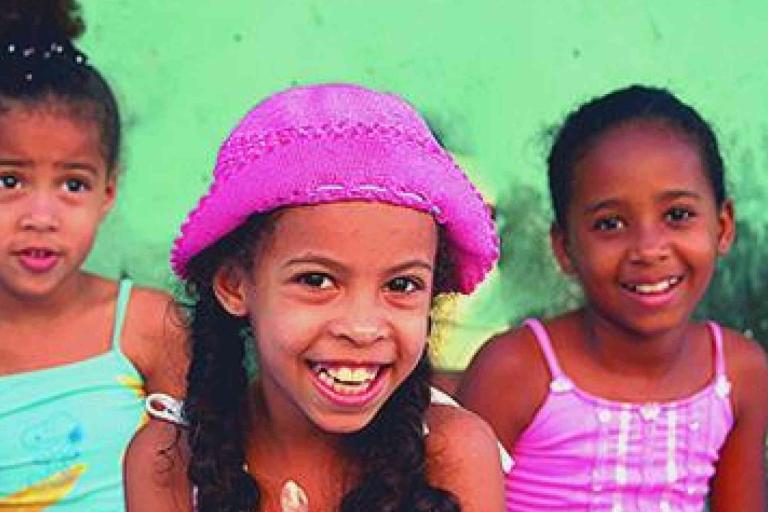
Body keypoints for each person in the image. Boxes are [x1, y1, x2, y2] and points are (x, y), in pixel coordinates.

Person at [124, 82, 508, 512]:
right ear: (235, 285)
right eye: (317, 281)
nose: (362, 328)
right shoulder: (167, 458)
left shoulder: (454, 451)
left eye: (401, 286)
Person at [458, 85, 768, 511]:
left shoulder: (739, 373)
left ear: (723, 225)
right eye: (610, 224)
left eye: (677, 215)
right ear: (564, 247)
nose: (648, 248)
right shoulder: (517, 371)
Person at [0, 1, 186, 510]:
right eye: (9, 180)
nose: (42, 216)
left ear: (108, 191)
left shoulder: (145, 327)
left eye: (73, 184)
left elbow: (204, 478)